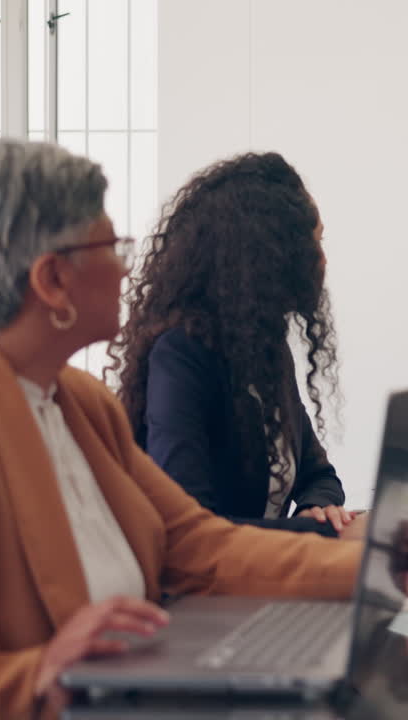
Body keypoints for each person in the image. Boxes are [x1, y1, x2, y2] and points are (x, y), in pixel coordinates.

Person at [0, 138, 408, 717]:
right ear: (52, 282)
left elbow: (196, 544)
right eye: (111, 245)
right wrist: (35, 673)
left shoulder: (82, 405)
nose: (128, 266)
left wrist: (370, 564)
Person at [110, 153, 354, 536]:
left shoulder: (267, 348)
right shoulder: (181, 356)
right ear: (267, 257)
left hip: (263, 579)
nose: (322, 260)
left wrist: (319, 508)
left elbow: (318, 474)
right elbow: (192, 527)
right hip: (206, 590)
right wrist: (323, 534)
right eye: (313, 244)